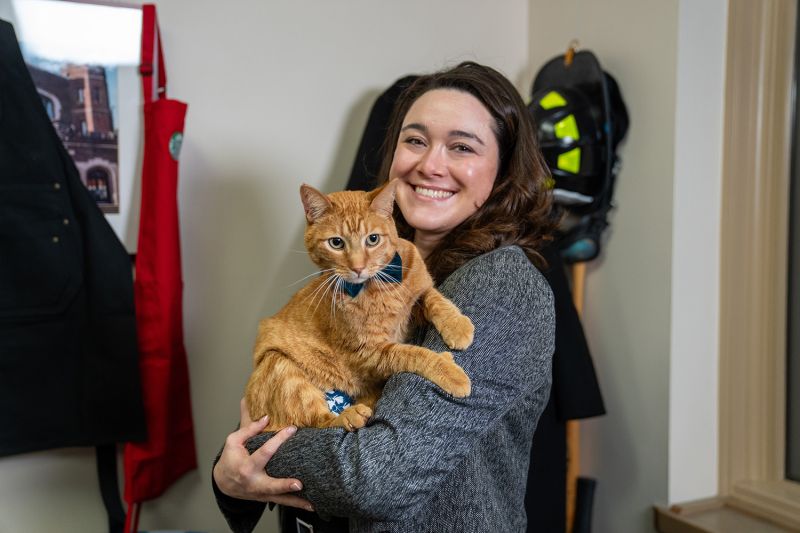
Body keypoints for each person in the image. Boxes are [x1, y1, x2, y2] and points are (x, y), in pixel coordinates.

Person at [213, 61, 557, 533]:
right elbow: (302, 407)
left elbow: (376, 477)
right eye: (415, 140)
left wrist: (246, 452)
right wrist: (232, 478)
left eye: (462, 147)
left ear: (503, 171)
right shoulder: (368, 264)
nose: (429, 164)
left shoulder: (501, 283)